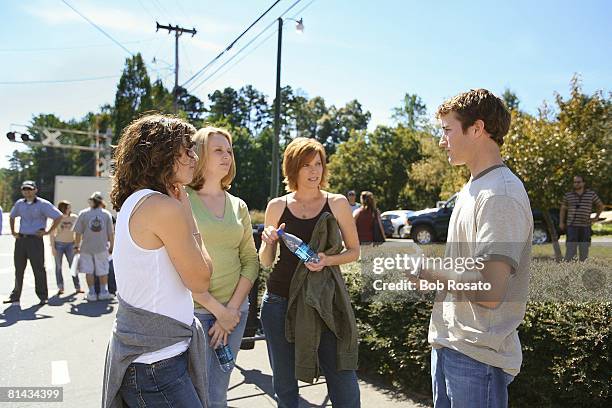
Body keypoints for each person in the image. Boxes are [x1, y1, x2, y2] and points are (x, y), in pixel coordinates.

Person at [412, 89, 533, 408]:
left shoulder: (500, 195)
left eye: (447, 130)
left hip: (476, 358)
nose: (442, 141)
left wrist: (430, 271)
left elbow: (491, 290)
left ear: (477, 128)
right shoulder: (473, 188)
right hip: (453, 347)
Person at [102, 114, 213, 407]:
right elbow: (201, 279)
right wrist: (187, 211)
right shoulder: (163, 207)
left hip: (147, 361)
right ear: (160, 154)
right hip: (157, 366)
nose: (194, 156)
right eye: (186, 148)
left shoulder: (135, 202)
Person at [259, 137, 361, 408]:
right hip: (279, 301)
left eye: (318, 164)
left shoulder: (337, 203)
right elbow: (266, 261)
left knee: (342, 375)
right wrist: (268, 242)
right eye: (306, 165)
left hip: (323, 300)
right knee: (284, 385)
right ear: (292, 168)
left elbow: (354, 251)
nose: (314, 171)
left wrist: (327, 260)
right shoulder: (277, 206)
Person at [186, 126, 259, 407]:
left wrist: (231, 311)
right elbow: (176, 263)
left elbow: (250, 261)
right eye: (218, 149)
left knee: (217, 395)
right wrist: (218, 312)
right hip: (194, 312)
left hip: (235, 313)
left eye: (229, 151)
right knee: (195, 394)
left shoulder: (238, 205)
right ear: (200, 154)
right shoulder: (181, 200)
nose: (226, 155)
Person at [4, 180, 63, 306]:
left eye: (29, 189)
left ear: (35, 190)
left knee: (39, 269)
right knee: (19, 269)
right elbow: (12, 216)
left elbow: (58, 216)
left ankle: (42, 296)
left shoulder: (43, 204)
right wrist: (14, 232)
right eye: (24, 189)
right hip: (21, 239)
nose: (27, 191)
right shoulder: (20, 203)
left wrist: (48, 231)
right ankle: (15, 296)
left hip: (35, 240)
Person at [73, 192, 114, 301]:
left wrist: (76, 245)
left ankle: (91, 293)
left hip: (86, 247)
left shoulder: (83, 213)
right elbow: (110, 233)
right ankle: (103, 292)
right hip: (101, 247)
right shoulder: (106, 214)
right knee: (103, 270)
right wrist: (112, 246)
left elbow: (78, 232)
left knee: (88, 271)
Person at [560, 175, 604, 261]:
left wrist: (596, 218)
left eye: (578, 182)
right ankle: (569, 266)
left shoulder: (591, 194)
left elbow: (600, 206)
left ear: (583, 183)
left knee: (584, 248)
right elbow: (563, 209)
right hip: (572, 226)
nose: (576, 184)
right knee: (571, 249)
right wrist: (561, 222)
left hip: (585, 226)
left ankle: (582, 265)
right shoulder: (568, 195)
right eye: (575, 182)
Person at [50, 200, 82, 295]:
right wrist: (52, 248)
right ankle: (60, 287)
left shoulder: (74, 218)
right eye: (67, 208)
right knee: (58, 267)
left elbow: (79, 232)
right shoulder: (57, 218)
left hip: (70, 245)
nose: (69, 209)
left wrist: (78, 245)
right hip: (59, 244)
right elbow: (52, 234)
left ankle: (77, 287)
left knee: (73, 266)